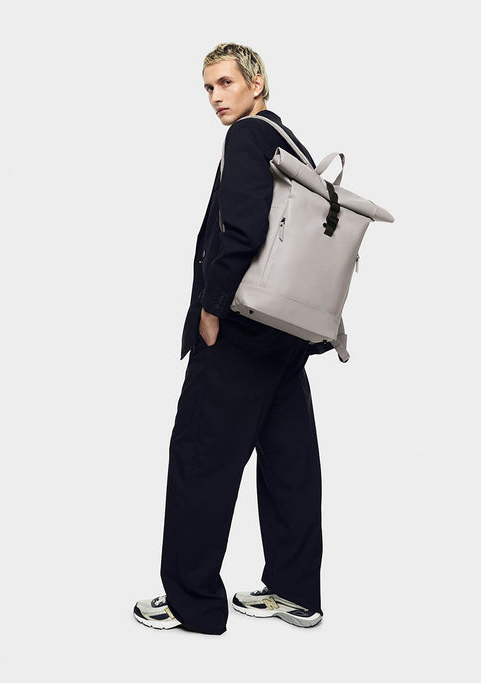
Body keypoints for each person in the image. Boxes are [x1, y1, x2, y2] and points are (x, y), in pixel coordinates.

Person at [133, 42, 333, 636]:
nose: (216, 97)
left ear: (256, 82)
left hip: (242, 328)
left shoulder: (247, 136)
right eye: (208, 88)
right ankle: (295, 593)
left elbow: (242, 230)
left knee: (201, 458)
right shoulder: (290, 141)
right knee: (290, 462)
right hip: (286, 331)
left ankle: (191, 602)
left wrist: (211, 309)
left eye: (225, 83)